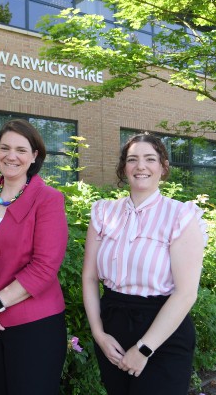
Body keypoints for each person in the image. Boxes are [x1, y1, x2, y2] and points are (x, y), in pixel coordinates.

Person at [82, 133, 207, 395]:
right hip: (112, 328)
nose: (141, 166)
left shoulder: (181, 216)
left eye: (150, 159)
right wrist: (99, 334)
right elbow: (90, 278)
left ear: (163, 167)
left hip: (163, 332)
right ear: (123, 167)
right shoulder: (103, 213)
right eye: (132, 159)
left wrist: (144, 348)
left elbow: (186, 294)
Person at [0, 119, 69, 395]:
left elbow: (44, 268)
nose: (11, 156)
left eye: (20, 149)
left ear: (34, 156)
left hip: (33, 325)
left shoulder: (48, 199)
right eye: (5, 148)